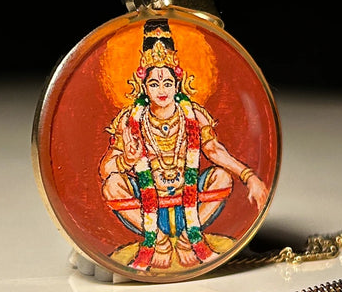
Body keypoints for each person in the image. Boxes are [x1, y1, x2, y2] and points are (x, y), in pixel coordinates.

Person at [99, 19, 269, 272]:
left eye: (167, 83)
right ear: (143, 87)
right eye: (154, 84)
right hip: (147, 209)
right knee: (112, 185)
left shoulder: (194, 115)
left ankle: (191, 237)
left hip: (191, 204)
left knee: (222, 177)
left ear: (178, 84)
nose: (162, 90)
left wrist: (249, 176)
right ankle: (159, 241)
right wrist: (126, 161)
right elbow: (106, 169)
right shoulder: (129, 119)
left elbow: (213, 151)